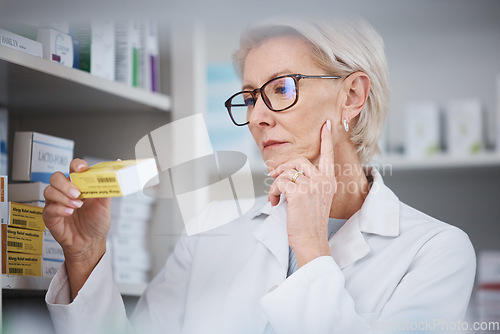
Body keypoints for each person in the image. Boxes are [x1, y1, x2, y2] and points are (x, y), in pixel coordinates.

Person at [43, 18, 476, 334]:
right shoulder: (206, 239)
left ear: (352, 95)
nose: (257, 118)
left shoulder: (436, 251)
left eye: (281, 88)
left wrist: (310, 245)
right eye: (250, 97)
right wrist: (85, 256)